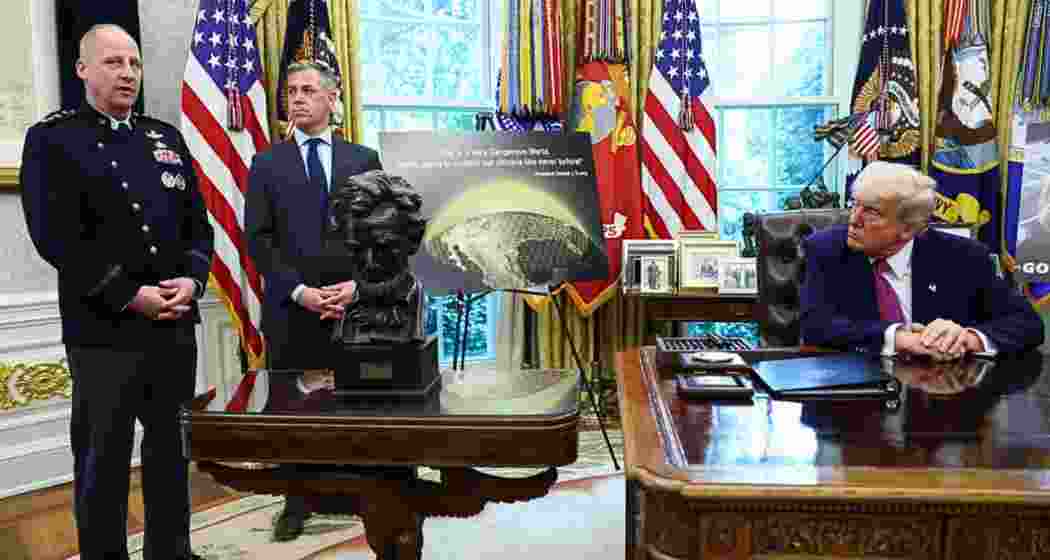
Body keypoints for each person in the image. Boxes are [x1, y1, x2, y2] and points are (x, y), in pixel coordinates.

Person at [19, 24, 212, 560]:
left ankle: (170, 552)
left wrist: (192, 281)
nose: (127, 73)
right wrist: (130, 294)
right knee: (103, 458)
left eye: (133, 63)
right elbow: (55, 237)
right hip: (103, 331)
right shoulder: (53, 139)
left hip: (172, 327)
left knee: (170, 454)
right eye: (112, 62)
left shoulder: (164, 138)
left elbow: (199, 224)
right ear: (82, 70)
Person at [245, 60, 382, 541]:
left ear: (330, 99)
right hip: (292, 311)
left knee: (355, 407)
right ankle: (296, 502)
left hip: (354, 309)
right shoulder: (267, 163)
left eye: (307, 90)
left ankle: (359, 494)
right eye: (291, 91)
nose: (297, 98)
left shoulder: (363, 159)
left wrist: (358, 287)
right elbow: (258, 240)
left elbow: (380, 235)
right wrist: (300, 292)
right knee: (294, 414)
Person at [800, 161, 1043, 359]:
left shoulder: (963, 257)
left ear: (908, 229)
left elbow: (1027, 323)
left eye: (872, 212)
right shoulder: (827, 250)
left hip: (944, 399)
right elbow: (816, 326)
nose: (854, 219)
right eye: (855, 205)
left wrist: (966, 338)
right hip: (859, 398)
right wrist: (901, 339)